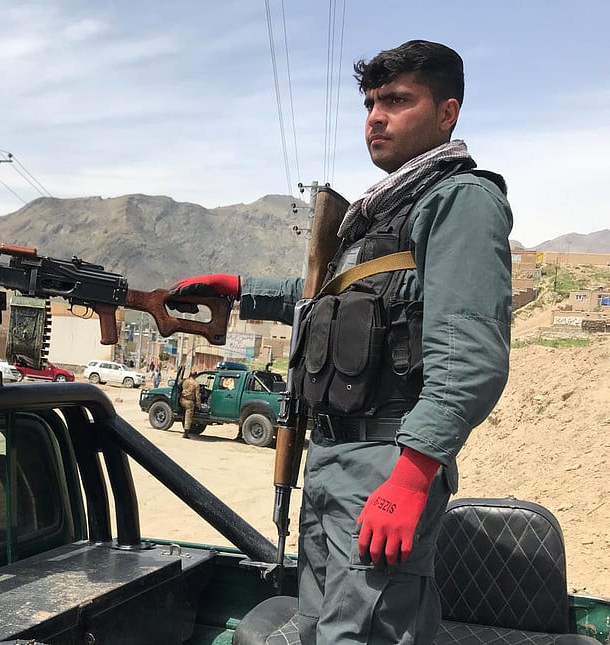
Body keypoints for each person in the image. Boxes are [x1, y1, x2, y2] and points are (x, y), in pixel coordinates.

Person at [169, 40, 512, 643]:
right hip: (330, 459)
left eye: (398, 101)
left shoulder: (459, 200)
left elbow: (471, 362)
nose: (375, 117)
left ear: (447, 112)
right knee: (323, 630)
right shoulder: (377, 219)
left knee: (365, 635)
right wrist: (240, 289)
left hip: (386, 459)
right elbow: (331, 302)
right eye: (372, 103)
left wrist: (411, 477)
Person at [179, 371, 199, 439]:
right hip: (189, 402)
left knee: (185, 414)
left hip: (182, 400)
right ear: (195, 376)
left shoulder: (185, 381)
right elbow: (197, 396)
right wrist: (199, 405)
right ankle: (186, 433)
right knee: (188, 417)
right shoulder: (196, 384)